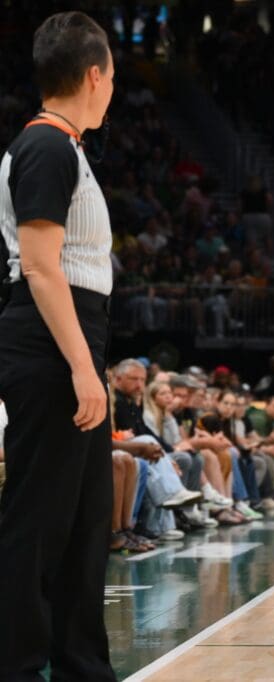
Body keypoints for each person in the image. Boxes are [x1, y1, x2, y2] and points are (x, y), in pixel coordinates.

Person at [0, 12, 119, 680]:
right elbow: (44, 268)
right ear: (94, 75)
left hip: (71, 340)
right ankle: (16, 666)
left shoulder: (64, 146)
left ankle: (81, 665)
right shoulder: (46, 147)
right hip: (49, 345)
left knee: (84, 523)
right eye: (113, 79)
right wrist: (81, 365)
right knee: (38, 522)